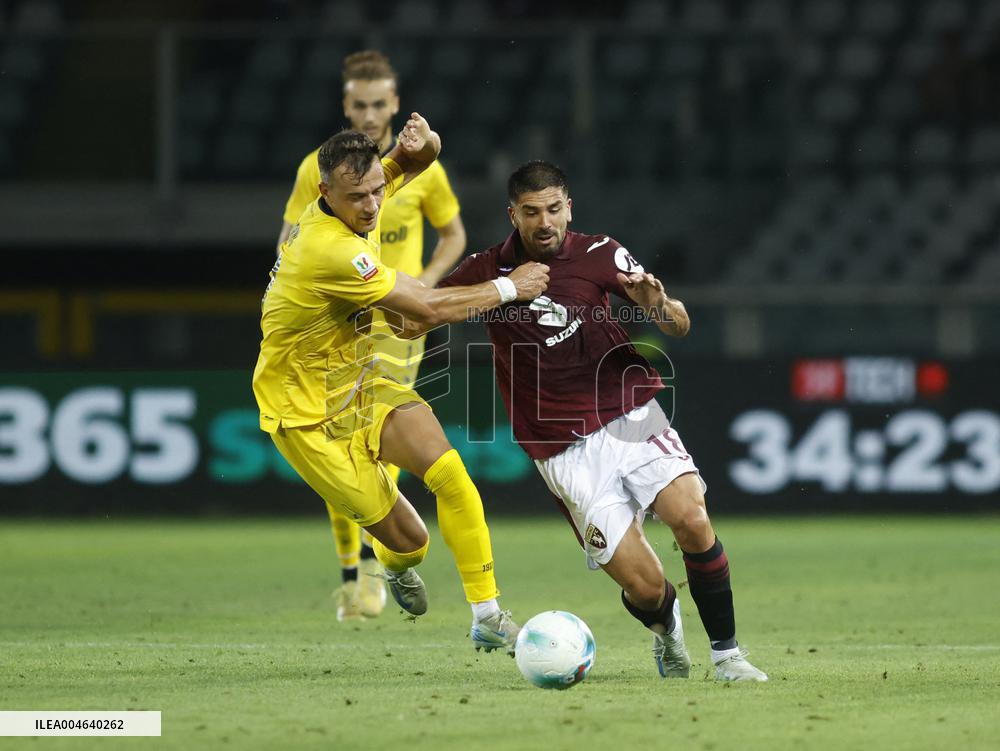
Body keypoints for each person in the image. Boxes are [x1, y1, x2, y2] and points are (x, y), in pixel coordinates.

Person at [436, 161, 768, 681]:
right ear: (513, 215)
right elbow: (419, 313)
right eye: (531, 212)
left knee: (692, 518)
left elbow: (677, 324)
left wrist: (658, 303)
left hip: (629, 412)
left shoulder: (599, 253)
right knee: (647, 588)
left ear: (569, 206)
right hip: (563, 449)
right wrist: (504, 291)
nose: (545, 221)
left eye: (553, 208)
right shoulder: (486, 270)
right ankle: (668, 631)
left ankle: (728, 656)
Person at [253, 120, 549, 653]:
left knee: (451, 473)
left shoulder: (354, 193)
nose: (371, 207)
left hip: (363, 384)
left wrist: (427, 143)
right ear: (325, 194)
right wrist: (510, 286)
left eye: (375, 192)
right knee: (411, 544)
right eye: (358, 198)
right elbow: (428, 309)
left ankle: (487, 613)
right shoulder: (331, 249)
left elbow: (413, 164)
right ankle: (393, 562)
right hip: (305, 417)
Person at [276, 50, 468, 621]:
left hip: (398, 327)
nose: (368, 113)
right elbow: (290, 239)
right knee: (343, 446)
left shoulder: (418, 171)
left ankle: (375, 565)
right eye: (358, 104)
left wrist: (424, 288)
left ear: (395, 103)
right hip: (341, 324)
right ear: (345, 105)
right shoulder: (321, 167)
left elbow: (454, 236)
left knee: (377, 446)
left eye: (378, 103)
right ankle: (355, 571)